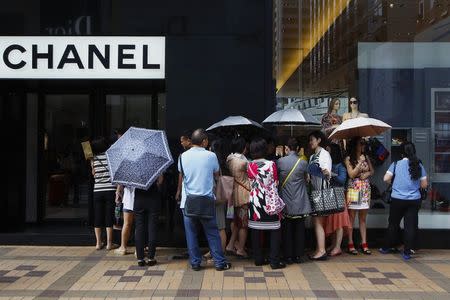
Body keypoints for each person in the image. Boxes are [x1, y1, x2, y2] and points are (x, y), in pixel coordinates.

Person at [178, 129, 231, 271]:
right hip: (206, 200)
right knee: (213, 233)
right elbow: (216, 174)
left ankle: (195, 262)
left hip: (188, 202)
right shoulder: (211, 156)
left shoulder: (182, 156)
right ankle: (219, 263)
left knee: (191, 234)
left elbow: (182, 175)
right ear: (204, 142)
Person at [379, 142, 428, 260]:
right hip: (414, 200)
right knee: (410, 226)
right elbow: (424, 184)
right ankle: (407, 252)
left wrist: (396, 183)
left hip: (397, 199)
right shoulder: (418, 164)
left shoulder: (396, 164)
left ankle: (386, 247)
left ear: (402, 153)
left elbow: (386, 178)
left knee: (393, 224)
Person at [247, 138, 286, 270]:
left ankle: (258, 259)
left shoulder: (249, 165)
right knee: (275, 230)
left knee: (256, 230)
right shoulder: (271, 164)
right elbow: (275, 182)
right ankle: (274, 261)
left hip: (255, 201)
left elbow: (251, 181)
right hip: (270, 201)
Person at [277, 138, 311, 264]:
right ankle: (299, 255)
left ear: (287, 148)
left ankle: (287, 256)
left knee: (286, 230)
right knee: (300, 229)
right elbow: (307, 179)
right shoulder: (303, 163)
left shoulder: (280, 162)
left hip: (285, 200)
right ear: (297, 149)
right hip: (300, 201)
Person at [345, 137, 374, 255]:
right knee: (351, 218)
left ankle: (364, 243)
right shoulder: (348, 159)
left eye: (363, 144)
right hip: (353, 189)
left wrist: (367, 173)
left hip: (365, 189)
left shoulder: (366, 157)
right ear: (354, 145)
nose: (363, 146)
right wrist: (360, 163)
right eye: (360, 143)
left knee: (363, 218)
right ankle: (350, 243)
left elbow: (372, 171)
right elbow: (351, 174)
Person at [307, 131, 332, 261]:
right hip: (315, 192)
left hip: (322, 192)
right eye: (310, 140)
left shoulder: (324, 154)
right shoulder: (312, 156)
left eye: (312, 140)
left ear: (319, 140)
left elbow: (328, 174)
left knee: (318, 222)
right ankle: (319, 249)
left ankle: (322, 250)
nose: (310, 142)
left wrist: (323, 171)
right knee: (316, 222)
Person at [204, 139, 230, 259]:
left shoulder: (214, 162)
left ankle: (221, 252)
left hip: (216, 196)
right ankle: (215, 251)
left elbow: (215, 178)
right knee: (218, 226)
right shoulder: (223, 162)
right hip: (221, 197)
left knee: (219, 226)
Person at [90, 137, 117, 251]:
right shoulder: (110, 158)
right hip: (110, 190)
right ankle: (109, 244)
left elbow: (94, 174)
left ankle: (98, 243)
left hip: (97, 190)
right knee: (108, 216)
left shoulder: (94, 159)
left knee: (98, 216)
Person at [226, 137, 251, 258]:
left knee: (235, 222)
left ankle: (231, 245)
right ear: (243, 148)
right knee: (243, 223)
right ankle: (240, 248)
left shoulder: (229, 159)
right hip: (243, 195)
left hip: (231, 193)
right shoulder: (243, 162)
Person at [324, 143, 350, 257]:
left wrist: (332, 174)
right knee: (333, 222)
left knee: (338, 223)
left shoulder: (340, 166)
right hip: (332, 194)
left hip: (338, 195)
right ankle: (334, 244)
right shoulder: (331, 164)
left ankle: (338, 247)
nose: (327, 153)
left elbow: (342, 180)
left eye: (329, 150)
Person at [134, 175, 164, 266]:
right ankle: (151, 257)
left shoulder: (135, 166)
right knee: (152, 228)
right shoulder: (156, 163)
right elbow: (160, 181)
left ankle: (140, 258)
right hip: (153, 197)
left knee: (139, 228)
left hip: (139, 197)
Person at [114, 185, 135, 255]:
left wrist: (117, 192)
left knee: (126, 224)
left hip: (128, 199)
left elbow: (120, 184)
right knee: (139, 225)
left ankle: (123, 247)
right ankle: (139, 249)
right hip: (139, 199)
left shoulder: (126, 173)